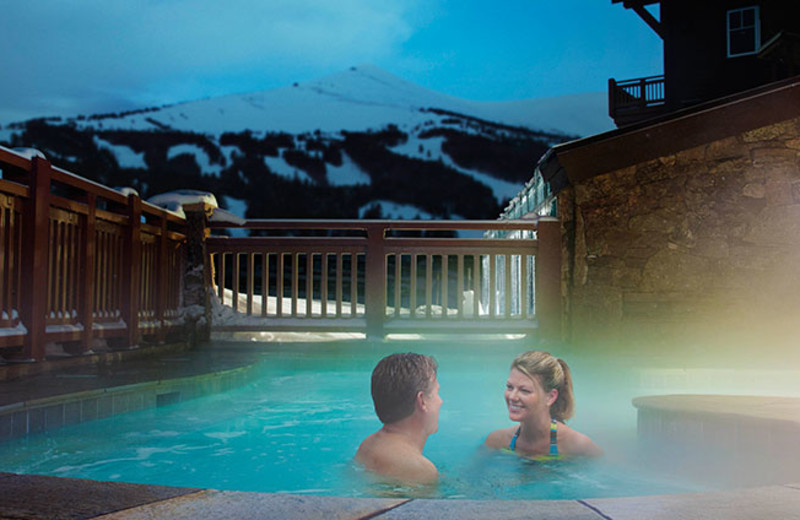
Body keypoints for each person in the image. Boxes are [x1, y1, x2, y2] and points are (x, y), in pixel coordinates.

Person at [484, 350, 602, 459]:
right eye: (510, 387)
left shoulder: (578, 446)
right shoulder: (497, 441)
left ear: (550, 397)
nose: (512, 397)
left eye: (525, 390)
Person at [356, 352, 443, 484]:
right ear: (422, 401)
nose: (440, 401)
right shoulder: (420, 469)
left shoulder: (368, 445)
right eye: (437, 392)